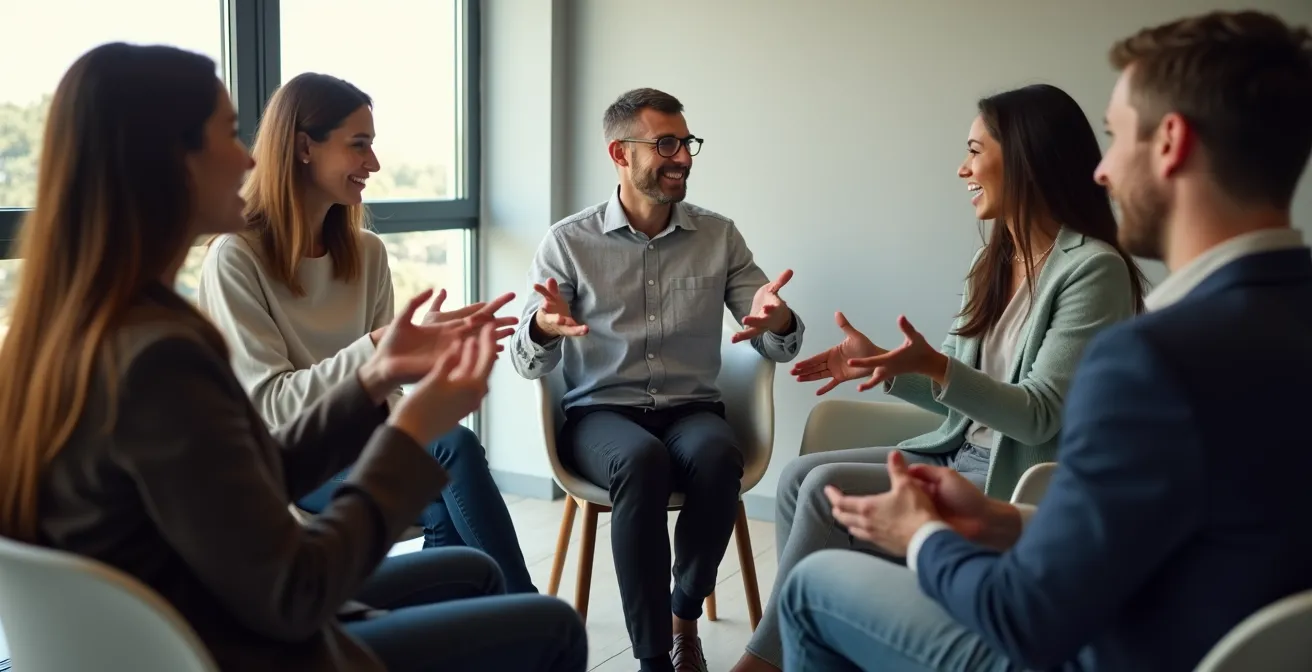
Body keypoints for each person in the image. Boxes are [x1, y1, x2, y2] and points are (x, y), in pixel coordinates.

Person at [0, 43, 585, 672]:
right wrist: (415, 427)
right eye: (226, 133)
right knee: (551, 627)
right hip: (231, 645)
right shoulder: (158, 357)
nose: (250, 155)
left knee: (469, 569)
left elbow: (246, 474)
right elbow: (298, 591)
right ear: (165, 162)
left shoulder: (76, 329)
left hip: (205, 611)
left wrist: (377, 375)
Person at [779, 9, 1312, 672]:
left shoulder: (1151, 359)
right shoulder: (1272, 323)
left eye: (1117, 137)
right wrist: (1003, 523)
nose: (1102, 171)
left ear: (1171, 142)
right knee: (810, 486)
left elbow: (1025, 617)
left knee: (809, 589)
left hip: (1094, 651)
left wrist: (923, 538)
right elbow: (1180, 531)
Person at [733, 83, 1148, 672]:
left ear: (1026, 158)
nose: (962, 168)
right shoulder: (993, 260)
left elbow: (1038, 414)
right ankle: (811, 644)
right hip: (961, 457)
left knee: (824, 493)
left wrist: (932, 364)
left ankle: (762, 664)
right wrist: (883, 364)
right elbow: (958, 400)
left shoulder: (1092, 269)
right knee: (802, 476)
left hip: (1016, 477)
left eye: (975, 151)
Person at [195, 72, 536, 594]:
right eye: (359, 146)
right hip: (284, 465)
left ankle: (473, 631)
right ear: (305, 146)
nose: (373, 165)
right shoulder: (235, 258)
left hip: (360, 449)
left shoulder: (367, 254)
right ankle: (524, 618)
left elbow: (386, 393)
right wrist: (379, 351)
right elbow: (271, 407)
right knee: (456, 450)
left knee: (447, 486)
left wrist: (408, 368)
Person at [511, 87, 804, 672]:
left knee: (720, 455)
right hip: (601, 416)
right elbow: (526, 362)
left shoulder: (719, 237)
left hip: (690, 409)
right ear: (621, 154)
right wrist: (542, 330)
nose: (683, 157)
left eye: (687, 142)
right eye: (665, 144)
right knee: (640, 462)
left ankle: (682, 615)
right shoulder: (568, 242)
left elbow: (776, 338)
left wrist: (781, 319)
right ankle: (651, 658)